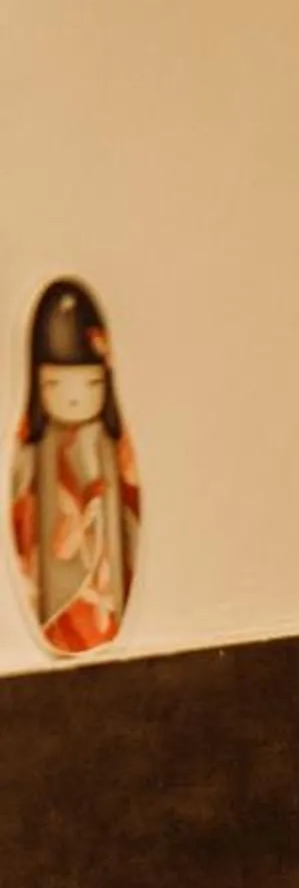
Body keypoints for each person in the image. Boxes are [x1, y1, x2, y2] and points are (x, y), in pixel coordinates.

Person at [11, 280, 140, 655]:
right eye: (55, 383)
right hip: (52, 584)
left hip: (106, 586)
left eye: (91, 383)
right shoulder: (39, 445)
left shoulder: (109, 442)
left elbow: (128, 508)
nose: (73, 396)